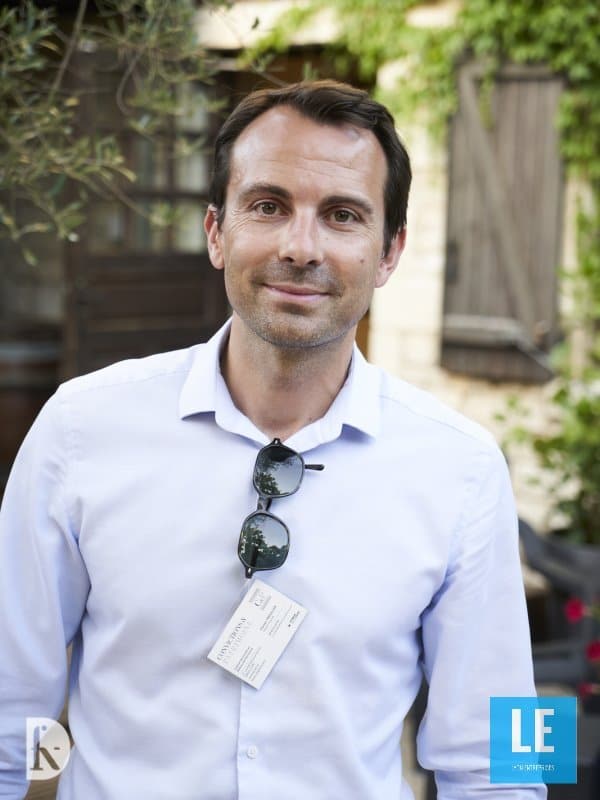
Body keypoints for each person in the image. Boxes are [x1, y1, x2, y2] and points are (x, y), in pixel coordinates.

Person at [0, 80, 545, 799]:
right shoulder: (79, 428)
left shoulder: (464, 467)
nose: (300, 247)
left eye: (343, 216)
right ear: (215, 232)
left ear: (390, 253)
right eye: (268, 206)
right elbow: (12, 715)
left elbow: (506, 760)